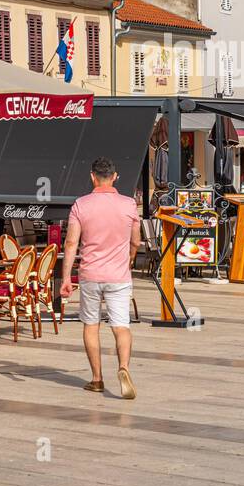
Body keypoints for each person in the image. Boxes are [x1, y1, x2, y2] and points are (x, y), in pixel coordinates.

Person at [60, 157, 142, 399]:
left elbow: (71, 242)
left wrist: (66, 277)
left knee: (91, 325)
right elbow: (135, 240)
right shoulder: (129, 205)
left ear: (92, 177)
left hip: (90, 275)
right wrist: (130, 256)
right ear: (115, 177)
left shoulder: (81, 205)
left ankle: (96, 379)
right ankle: (124, 367)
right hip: (119, 275)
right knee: (121, 326)